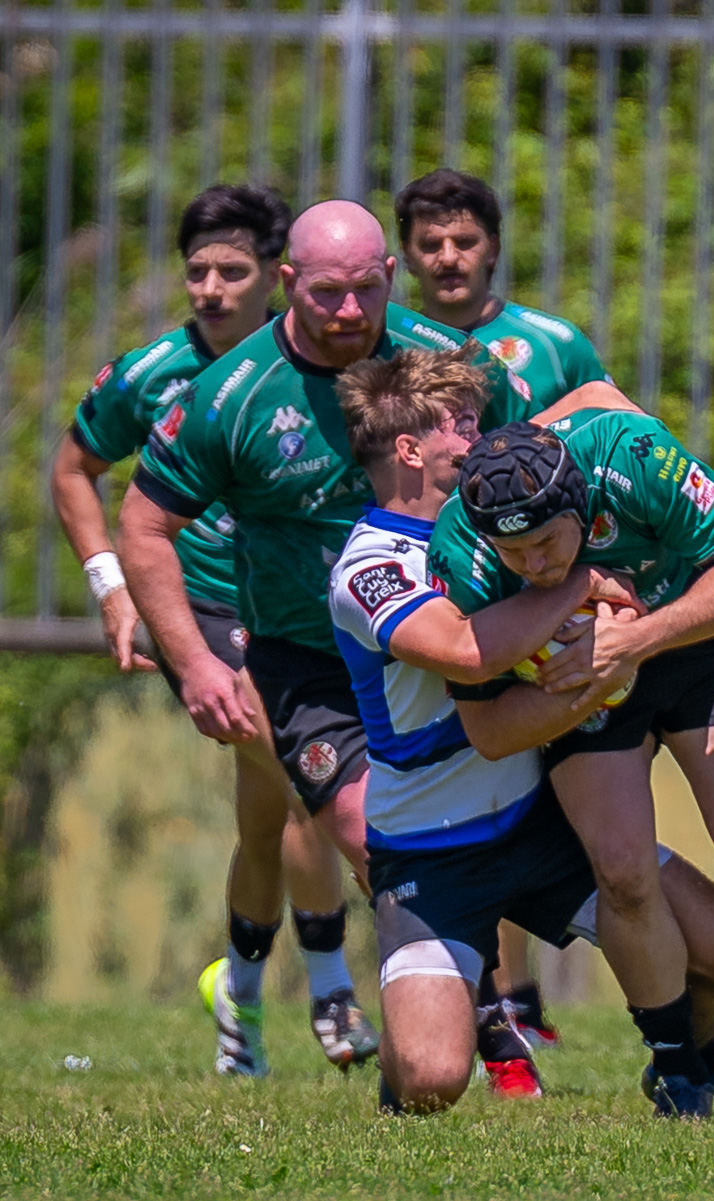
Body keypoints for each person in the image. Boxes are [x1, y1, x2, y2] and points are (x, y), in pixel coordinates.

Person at [116, 200, 607, 1075]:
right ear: (288, 283)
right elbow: (144, 524)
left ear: (390, 274)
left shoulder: (440, 364)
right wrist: (192, 659)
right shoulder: (230, 394)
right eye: (327, 295)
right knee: (361, 827)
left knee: (490, 829)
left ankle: (487, 1006)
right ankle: (475, 1024)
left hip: (433, 645)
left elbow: (531, 458)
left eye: (365, 292)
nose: (349, 313)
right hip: (301, 657)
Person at [327, 347, 714, 1116]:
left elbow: (591, 396)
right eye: (463, 426)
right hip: (432, 842)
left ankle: (691, 1062)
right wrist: (585, 584)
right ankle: (424, 1031)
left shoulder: (512, 501)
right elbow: (464, 652)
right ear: (411, 449)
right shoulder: (373, 565)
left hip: (540, 821)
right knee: (431, 1080)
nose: (484, 438)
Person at [51, 184, 372, 1076]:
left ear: (277, 277)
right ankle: (334, 988)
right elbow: (75, 470)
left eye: (232, 270)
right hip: (207, 613)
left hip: (314, 617)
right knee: (305, 779)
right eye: (196, 271)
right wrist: (114, 589)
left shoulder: (340, 361)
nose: (210, 287)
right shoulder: (154, 373)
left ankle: (238, 991)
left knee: (265, 814)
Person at [394, 166, 615, 1046]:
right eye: (429, 243)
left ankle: (515, 998)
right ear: (407, 256)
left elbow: (604, 430)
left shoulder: (549, 342)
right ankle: (485, 995)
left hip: (538, 589)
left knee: (527, 785)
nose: (448, 257)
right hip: (428, 597)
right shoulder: (390, 350)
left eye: (464, 241)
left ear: (492, 248)